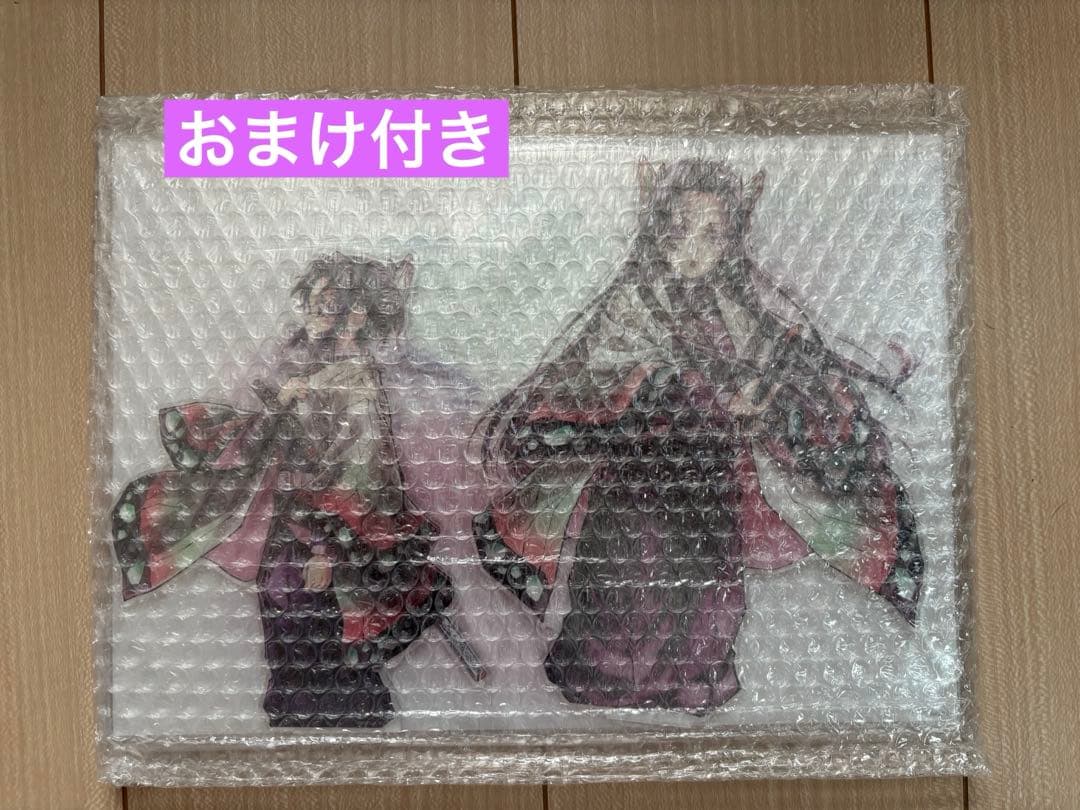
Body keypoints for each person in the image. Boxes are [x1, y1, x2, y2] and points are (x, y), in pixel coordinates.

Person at [473, 158, 923, 712]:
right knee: (630, 584)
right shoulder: (632, 305)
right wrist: (665, 385)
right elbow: (601, 376)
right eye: (680, 230)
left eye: (711, 236)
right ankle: (604, 680)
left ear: (729, 245)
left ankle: (696, 680)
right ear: (658, 232)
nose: (692, 249)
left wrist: (757, 400)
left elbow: (765, 372)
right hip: (641, 478)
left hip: (711, 479)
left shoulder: (737, 311)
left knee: (709, 592)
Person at [111, 252, 453, 727]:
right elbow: (276, 447)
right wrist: (280, 410)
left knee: (318, 650)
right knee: (289, 638)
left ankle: (331, 727)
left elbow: (362, 477)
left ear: (356, 315)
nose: (313, 311)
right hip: (288, 537)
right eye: (313, 300)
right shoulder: (313, 374)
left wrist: (327, 551)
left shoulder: (356, 387)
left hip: (322, 546)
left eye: (328, 303)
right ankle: (302, 722)